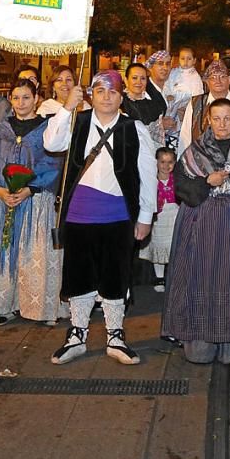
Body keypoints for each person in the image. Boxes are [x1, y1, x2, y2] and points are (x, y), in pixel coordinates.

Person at [51, 72, 155, 367]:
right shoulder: (77, 121)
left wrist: (145, 215)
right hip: (79, 214)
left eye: (113, 91)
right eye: (100, 90)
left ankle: (115, 336)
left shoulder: (134, 128)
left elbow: (147, 175)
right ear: (91, 95)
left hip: (118, 214)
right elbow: (52, 142)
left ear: (121, 97)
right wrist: (66, 108)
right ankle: (77, 335)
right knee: (79, 275)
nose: (106, 96)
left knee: (115, 275)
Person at [0, 78, 78, 326]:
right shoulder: (1, 129)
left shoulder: (46, 128)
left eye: (26, 97)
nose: (20, 103)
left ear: (36, 98)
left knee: (33, 252)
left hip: (35, 199)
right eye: (16, 98)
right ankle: (2, 305)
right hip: (1, 199)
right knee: (3, 250)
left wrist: (29, 189)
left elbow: (53, 162)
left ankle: (39, 306)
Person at [162, 99, 230, 364]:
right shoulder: (195, 150)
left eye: (227, 118)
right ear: (208, 119)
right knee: (199, 277)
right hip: (200, 222)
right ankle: (199, 339)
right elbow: (180, 186)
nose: (222, 124)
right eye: (216, 118)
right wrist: (207, 181)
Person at [177, 60, 230, 154]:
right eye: (213, 77)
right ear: (207, 81)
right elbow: (185, 137)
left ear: (229, 80)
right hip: (203, 164)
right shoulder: (195, 103)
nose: (218, 81)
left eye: (222, 77)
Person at [141, 147, 179, 293]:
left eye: (170, 162)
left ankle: (174, 277)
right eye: (162, 161)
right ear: (156, 162)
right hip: (158, 218)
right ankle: (159, 277)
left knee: (173, 245)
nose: (166, 165)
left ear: (174, 163)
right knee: (159, 245)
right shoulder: (151, 179)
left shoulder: (176, 180)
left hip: (173, 216)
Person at [161, 47, 204, 145]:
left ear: (194, 60)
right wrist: (168, 95)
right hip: (171, 105)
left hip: (185, 109)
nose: (185, 61)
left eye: (189, 59)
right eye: (182, 58)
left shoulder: (195, 77)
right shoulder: (173, 72)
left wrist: (188, 106)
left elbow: (197, 96)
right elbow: (166, 85)